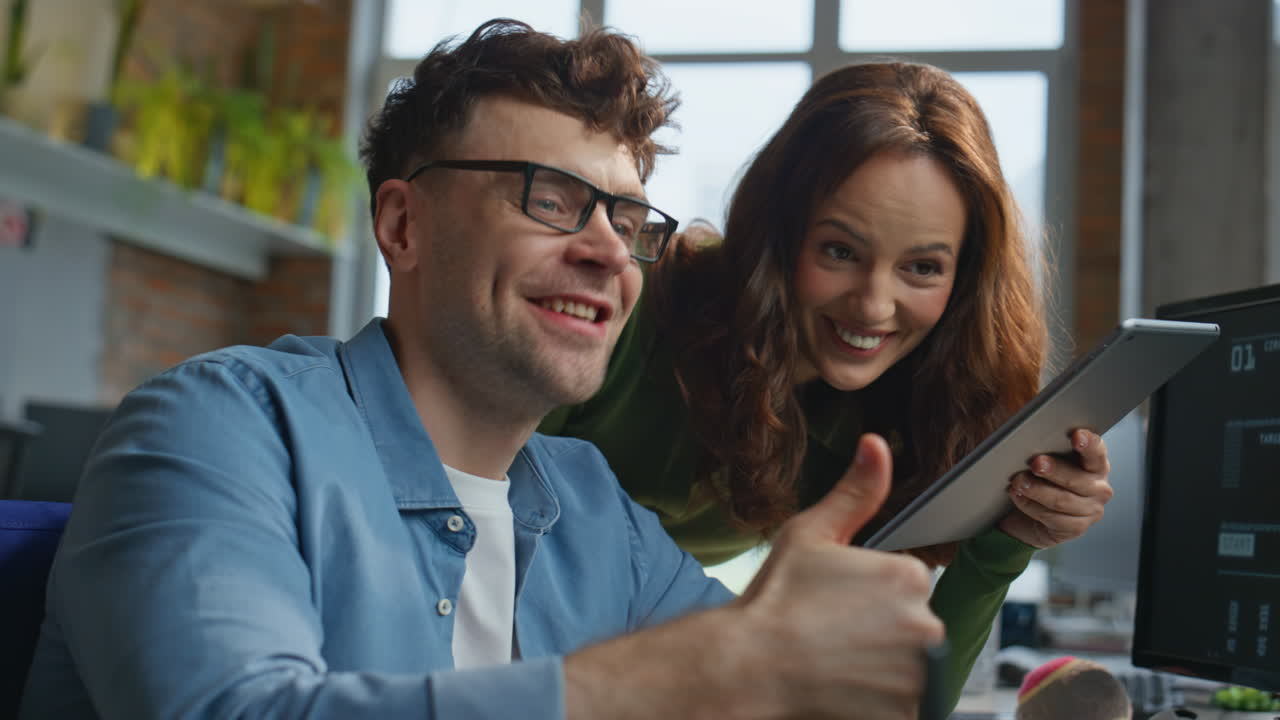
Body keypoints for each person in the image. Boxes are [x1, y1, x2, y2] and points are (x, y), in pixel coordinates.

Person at [19, 20, 945, 720]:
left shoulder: (596, 510)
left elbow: (763, 674)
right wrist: (699, 673)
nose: (607, 254)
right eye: (550, 201)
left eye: (626, 222)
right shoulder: (217, 428)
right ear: (402, 225)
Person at [538, 60, 1115, 709]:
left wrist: (1007, 540)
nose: (873, 306)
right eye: (839, 251)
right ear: (779, 232)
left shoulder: (884, 423)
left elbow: (900, 703)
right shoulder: (626, 314)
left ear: (965, 281)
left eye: (922, 267)